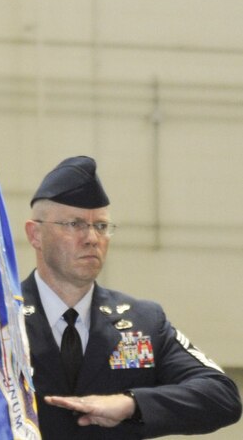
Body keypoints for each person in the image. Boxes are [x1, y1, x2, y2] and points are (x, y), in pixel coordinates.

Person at [21, 155, 241, 438]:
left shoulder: (143, 321)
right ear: (35, 234)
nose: (91, 238)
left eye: (101, 226)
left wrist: (131, 404)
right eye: (74, 224)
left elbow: (221, 394)